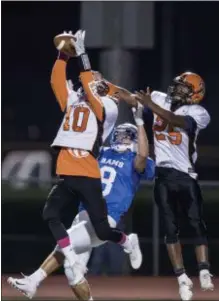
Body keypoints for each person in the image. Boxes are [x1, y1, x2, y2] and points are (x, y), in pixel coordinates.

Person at [8, 113, 155, 300]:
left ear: (135, 139)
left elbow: (143, 154)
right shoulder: (102, 152)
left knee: (66, 244)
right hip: (84, 214)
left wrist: (140, 122)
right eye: (119, 135)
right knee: (72, 272)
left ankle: (33, 281)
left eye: (126, 136)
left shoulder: (136, 160)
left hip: (106, 217)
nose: (121, 139)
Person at [115, 72, 213, 301]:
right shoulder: (160, 99)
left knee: (195, 223)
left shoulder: (198, 113)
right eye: (177, 86)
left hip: (185, 174)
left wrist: (151, 105)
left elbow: (176, 121)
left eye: (183, 88)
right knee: (170, 229)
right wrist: (106, 87)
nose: (176, 91)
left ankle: (204, 269)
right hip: (162, 173)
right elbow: (132, 98)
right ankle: (181, 279)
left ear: (195, 94)